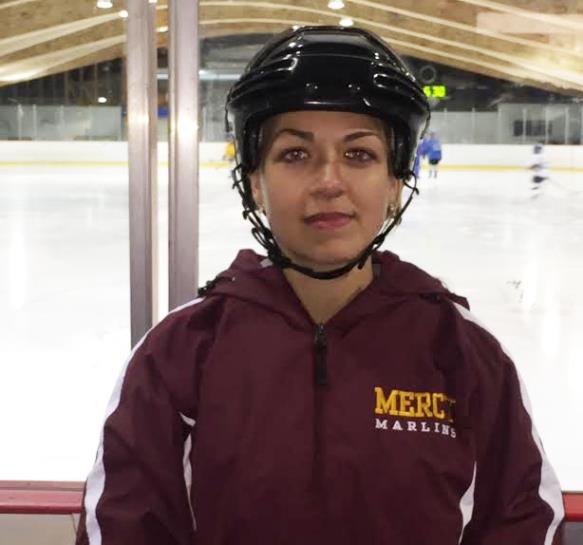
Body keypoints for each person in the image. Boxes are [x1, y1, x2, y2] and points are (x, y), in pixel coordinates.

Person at [75, 26, 564, 545]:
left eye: (359, 155)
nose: (329, 181)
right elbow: (125, 525)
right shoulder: (181, 350)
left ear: (395, 182)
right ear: (255, 182)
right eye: (295, 154)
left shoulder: (464, 353)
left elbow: (522, 521)